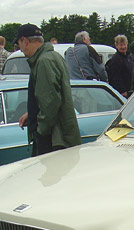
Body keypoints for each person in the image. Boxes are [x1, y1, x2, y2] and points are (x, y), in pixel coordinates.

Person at [14, 23, 81, 156]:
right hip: (58, 135)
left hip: (53, 139)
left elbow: (50, 102)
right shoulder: (53, 57)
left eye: (19, 44)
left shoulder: (44, 61)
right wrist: (32, 114)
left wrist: (40, 130)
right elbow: (51, 95)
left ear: (25, 41)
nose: (20, 49)